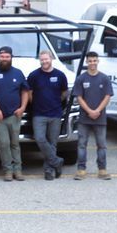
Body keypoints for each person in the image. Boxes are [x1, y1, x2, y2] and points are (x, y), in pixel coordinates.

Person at [0, 47, 30, 181]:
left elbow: (25, 91)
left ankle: (18, 170)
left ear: (11, 58)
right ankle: (8, 170)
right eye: (2, 56)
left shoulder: (18, 73)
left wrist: (22, 108)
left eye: (7, 57)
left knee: (15, 143)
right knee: (4, 143)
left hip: (14, 115)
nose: (4, 59)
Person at [27, 50, 71, 181]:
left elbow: (64, 92)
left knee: (52, 143)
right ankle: (57, 161)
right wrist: (35, 104)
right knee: (40, 138)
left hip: (55, 114)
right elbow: (29, 93)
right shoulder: (34, 75)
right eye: (42, 59)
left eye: (46, 59)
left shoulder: (60, 75)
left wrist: (57, 101)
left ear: (51, 59)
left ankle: (49, 170)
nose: (44, 61)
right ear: (39, 60)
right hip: (38, 114)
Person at [74, 51, 114, 180]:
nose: (92, 63)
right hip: (84, 119)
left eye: (94, 60)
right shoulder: (81, 78)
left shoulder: (104, 78)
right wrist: (89, 111)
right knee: (82, 144)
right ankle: (81, 170)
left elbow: (107, 96)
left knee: (101, 145)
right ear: (86, 62)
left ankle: (102, 170)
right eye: (90, 61)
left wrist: (97, 110)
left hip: (100, 118)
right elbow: (79, 98)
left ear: (98, 61)